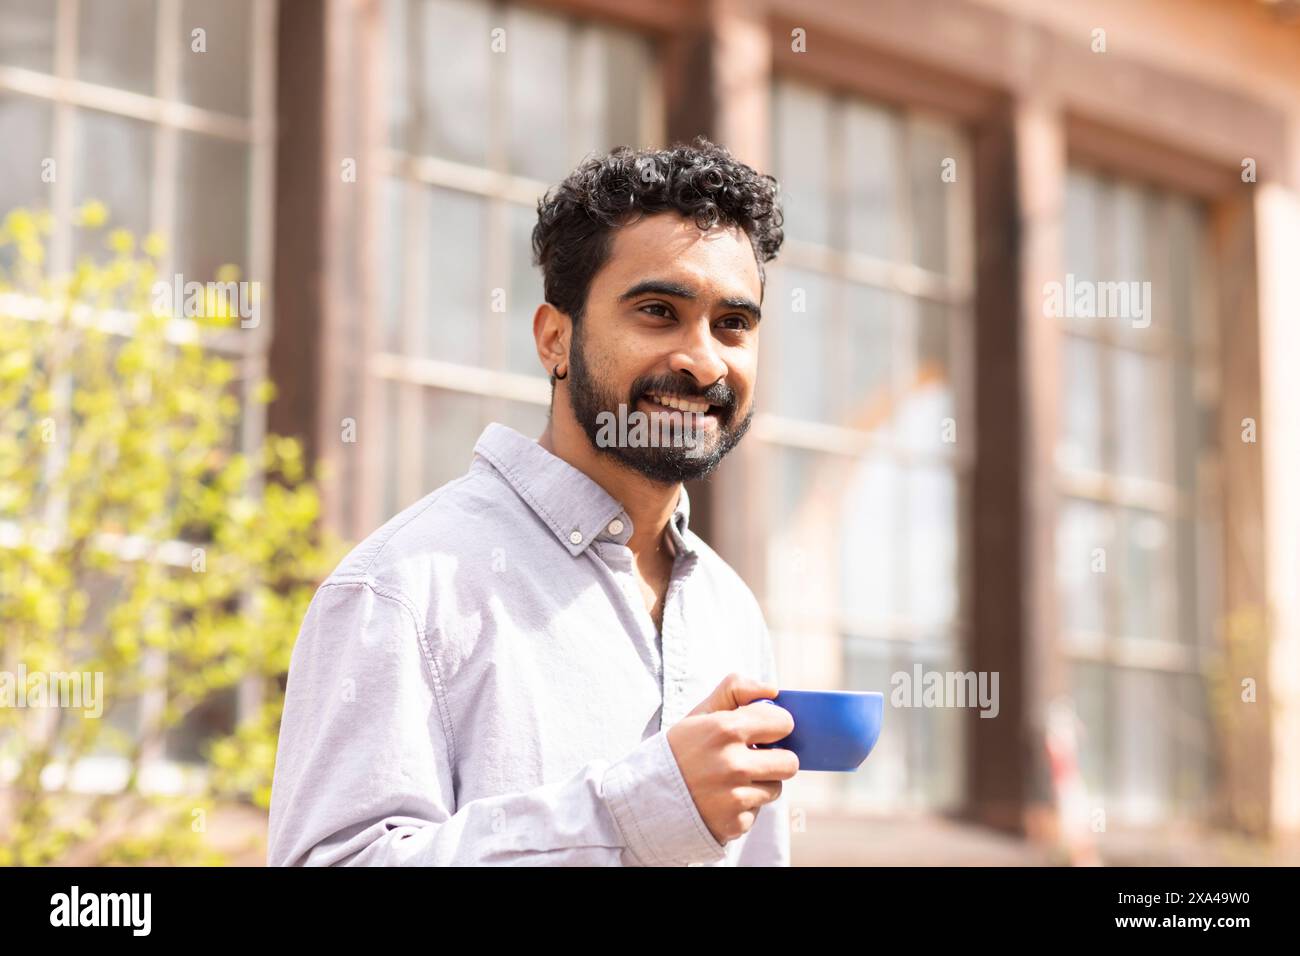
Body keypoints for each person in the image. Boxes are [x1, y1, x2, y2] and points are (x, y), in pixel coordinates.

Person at [267, 136, 797, 866]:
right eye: (656, 311)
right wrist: (639, 811)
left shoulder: (731, 611)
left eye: (732, 324)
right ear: (555, 339)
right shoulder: (403, 589)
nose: (702, 359)